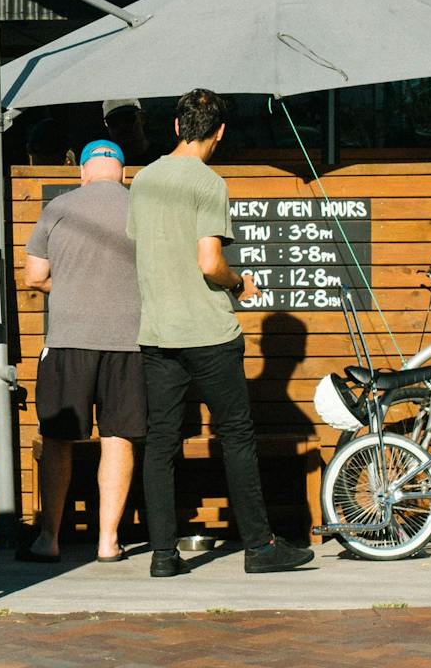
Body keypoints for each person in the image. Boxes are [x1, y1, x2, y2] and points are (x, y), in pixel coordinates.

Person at [127, 89, 312, 578]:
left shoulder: (143, 179)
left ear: (175, 127)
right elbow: (210, 263)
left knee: (162, 442)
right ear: (220, 132)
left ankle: (164, 555)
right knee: (235, 436)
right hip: (208, 331)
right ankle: (260, 546)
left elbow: (145, 248)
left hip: (158, 331)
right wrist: (240, 283)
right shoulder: (209, 183)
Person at [19, 139, 143, 564]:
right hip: (131, 341)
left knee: (58, 440)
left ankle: (48, 538)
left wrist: (71, 287)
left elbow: (34, 276)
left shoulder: (59, 207)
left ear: (84, 172)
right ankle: (108, 541)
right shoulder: (142, 207)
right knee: (118, 437)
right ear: (124, 173)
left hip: (69, 338)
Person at [103, 99, 152, 165]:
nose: (122, 126)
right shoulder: (105, 165)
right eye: (113, 121)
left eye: (127, 118)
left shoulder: (164, 157)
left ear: (142, 118)